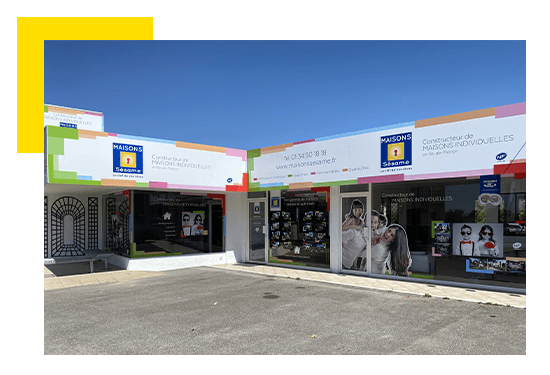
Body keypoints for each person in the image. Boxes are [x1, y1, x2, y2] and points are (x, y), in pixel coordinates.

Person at [341, 200, 367, 269]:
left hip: (354, 250)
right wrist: (352, 227)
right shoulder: (351, 219)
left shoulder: (361, 222)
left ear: (362, 211)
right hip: (347, 248)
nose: (357, 212)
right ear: (352, 210)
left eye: (359, 210)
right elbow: (341, 228)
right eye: (355, 209)